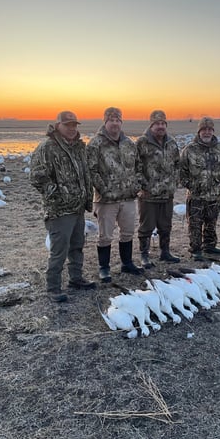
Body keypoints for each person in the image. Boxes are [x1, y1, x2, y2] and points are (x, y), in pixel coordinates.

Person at [30, 111, 96, 302]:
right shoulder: (47, 148)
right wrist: (57, 194)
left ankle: (76, 279)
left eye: (74, 124)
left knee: (77, 245)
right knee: (59, 249)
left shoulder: (78, 147)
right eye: (67, 125)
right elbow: (36, 177)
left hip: (78, 208)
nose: (72, 128)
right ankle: (53, 288)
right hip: (59, 211)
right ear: (57, 125)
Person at [86, 107, 143, 283]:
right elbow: (91, 170)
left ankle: (127, 263)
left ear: (121, 122)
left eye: (118, 120)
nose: (115, 123)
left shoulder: (129, 143)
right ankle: (104, 268)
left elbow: (138, 166)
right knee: (105, 235)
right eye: (112, 120)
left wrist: (136, 186)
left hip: (127, 197)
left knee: (127, 232)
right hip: (106, 200)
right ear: (105, 122)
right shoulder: (95, 143)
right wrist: (104, 189)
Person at [180, 117, 220, 261]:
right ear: (199, 131)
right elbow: (181, 171)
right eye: (204, 129)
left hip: (215, 195)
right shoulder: (189, 149)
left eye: (209, 129)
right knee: (195, 224)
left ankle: (210, 245)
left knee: (211, 222)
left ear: (213, 131)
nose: (207, 132)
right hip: (196, 196)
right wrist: (192, 186)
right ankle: (196, 249)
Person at [136, 110, 181, 268]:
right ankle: (144, 255)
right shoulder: (142, 142)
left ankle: (165, 252)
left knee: (165, 225)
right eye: (157, 124)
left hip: (167, 193)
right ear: (151, 125)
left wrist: (173, 182)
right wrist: (144, 185)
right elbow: (136, 167)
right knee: (146, 227)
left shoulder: (172, 143)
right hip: (148, 194)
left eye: (163, 123)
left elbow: (177, 164)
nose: (160, 126)